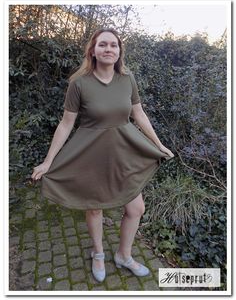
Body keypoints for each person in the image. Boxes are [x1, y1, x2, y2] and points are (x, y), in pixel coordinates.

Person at [31, 28, 174, 283]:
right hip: (92, 153)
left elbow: (138, 114)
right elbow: (66, 124)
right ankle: (98, 253)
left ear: (119, 51)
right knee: (95, 209)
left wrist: (158, 143)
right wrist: (48, 161)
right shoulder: (79, 83)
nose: (109, 49)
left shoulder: (127, 79)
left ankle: (124, 255)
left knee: (136, 207)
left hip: (125, 151)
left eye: (114, 45)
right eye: (103, 45)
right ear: (93, 51)